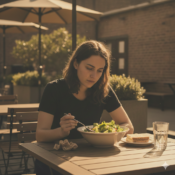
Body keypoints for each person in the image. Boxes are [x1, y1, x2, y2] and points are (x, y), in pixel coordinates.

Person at [35, 40, 134, 175]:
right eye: (89, 68)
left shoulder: (103, 90)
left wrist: (109, 134)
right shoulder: (54, 89)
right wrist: (61, 132)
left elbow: (128, 125)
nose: (94, 76)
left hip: (91, 158)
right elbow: (40, 135)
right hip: (54, 159)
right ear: (76, 63)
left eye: (100, 70)